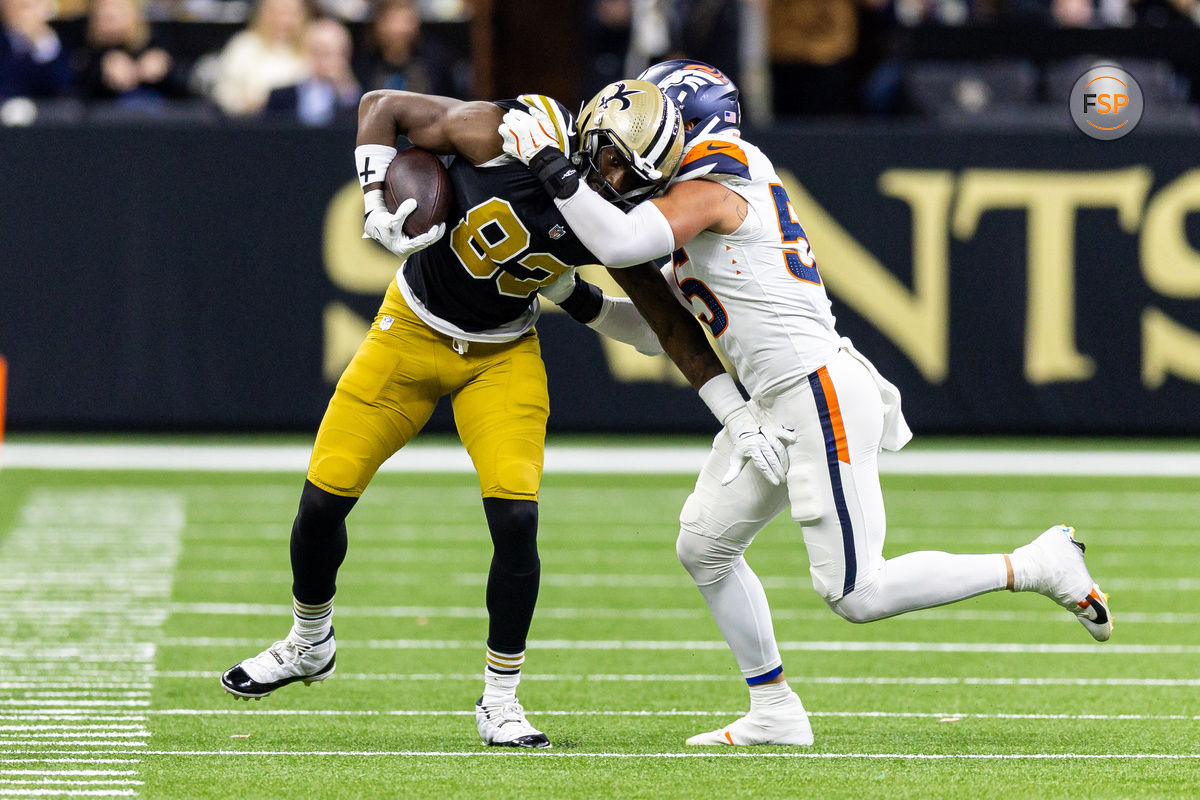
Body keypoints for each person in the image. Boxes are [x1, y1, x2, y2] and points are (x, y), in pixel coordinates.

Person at [498, 59, 1113, 746]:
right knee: (704, 548)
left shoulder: (717, 177)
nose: (631, 158)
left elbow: (618, 240)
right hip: (772, 399)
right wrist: (566, 296)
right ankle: (775, 711)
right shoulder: (686, 194)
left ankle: (1037, 564)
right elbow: (656, 328)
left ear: (690, 127)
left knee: (856, 591)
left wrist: (550, 166)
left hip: (816, 390)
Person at [219, 81, 791, 748]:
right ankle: (308, 642)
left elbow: (666, 325)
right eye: (612, 166)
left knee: (517, 518)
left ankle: (501, 700)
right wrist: (377, 199)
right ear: (592, 136)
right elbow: (382, 106)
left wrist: (735, 413)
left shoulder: (611, 219)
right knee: (322, 501)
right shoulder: (505, 136)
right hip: (410, 330)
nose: (617, 187)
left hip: (501, 354)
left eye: (635, 180)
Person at [76, 0, 190, 105]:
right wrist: (101, 72)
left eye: (115, 16)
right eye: (102, 17)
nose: (108, 24)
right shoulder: (87, 50)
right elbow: (76, 93)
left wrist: (166, 67)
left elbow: (186, 87)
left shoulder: (157, 41)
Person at [210, 0, 310, 115]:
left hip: (298, 125)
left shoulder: (312, 47)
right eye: (277, 12)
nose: (284, 19)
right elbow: (222, 90)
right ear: (263, 14)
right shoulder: (244, 46)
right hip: (251, 123)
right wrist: (243, 104)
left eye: (291, 13)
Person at [265, 17, 359, 126]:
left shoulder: (354, 101)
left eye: (331, 53)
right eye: (317, 50)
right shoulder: (279, 98)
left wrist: (343, 87)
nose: (324, 60)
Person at [0, 0, 73, 100]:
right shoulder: (4, 42)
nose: (24, 14)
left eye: (28, 6)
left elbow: (64, 87)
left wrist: (41, 40)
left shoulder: (64, 38)